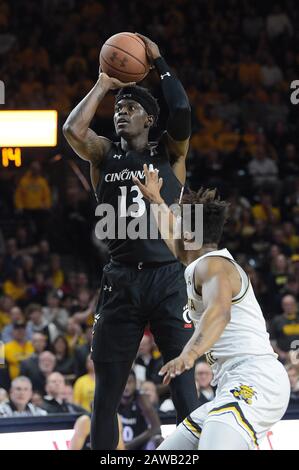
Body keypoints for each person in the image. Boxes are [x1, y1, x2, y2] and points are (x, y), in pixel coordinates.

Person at [63, 33, 198, 449]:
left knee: (184, 390)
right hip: (120, 280)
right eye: (119, 109)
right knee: (105, 395)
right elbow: (72, 128)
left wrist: (158, 62)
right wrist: (105, 83)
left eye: (131, 107)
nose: (122, 113)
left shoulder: (171, 154)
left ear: (148, 120)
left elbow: (181, 109)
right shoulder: (104, 154)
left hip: (167, 279)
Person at [133, 167, 290, 450]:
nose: (175, 226)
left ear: (190, 231)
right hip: (230, 384)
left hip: (256, 379)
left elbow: (219, 312)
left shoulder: (214, 266)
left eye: (179, 221)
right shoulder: (198, 263)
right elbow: (177, 246)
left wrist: (188, 355)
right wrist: (156, 200)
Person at [118, 370, 162, 450]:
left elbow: (156, 429)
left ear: (135, 383)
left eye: (130, 382)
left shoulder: (141, 398)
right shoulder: (112, 400)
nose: (126, 386)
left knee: (157, 440)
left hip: (139, 446)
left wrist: (127, 446)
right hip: (117, 447)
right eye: (123, 383)